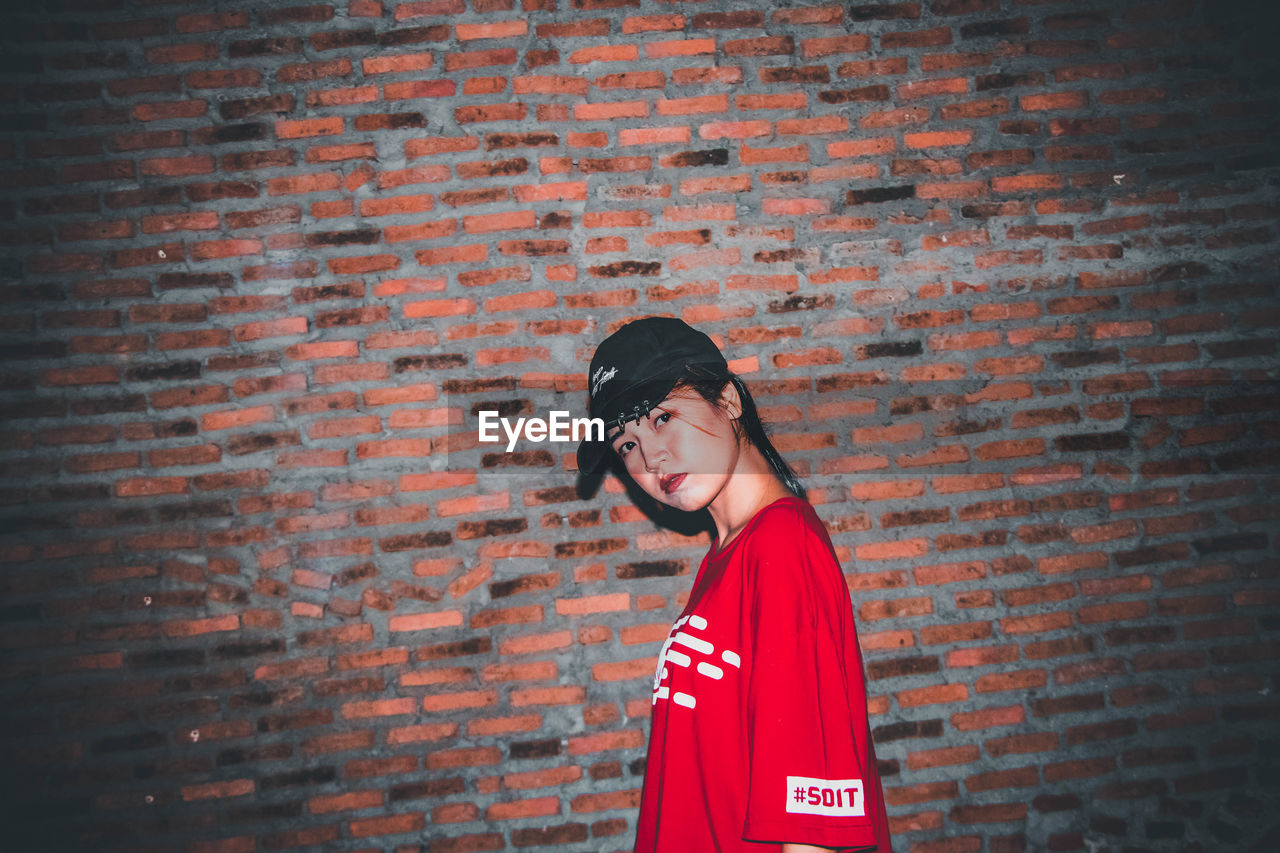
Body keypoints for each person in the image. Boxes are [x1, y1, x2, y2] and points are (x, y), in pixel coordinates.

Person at [576, 317, 893, 853]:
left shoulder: (781, 545)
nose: (650, 459)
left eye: (662, 417)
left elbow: (809, 819)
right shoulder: (727, 557)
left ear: (726, 400)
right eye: (625, 444)